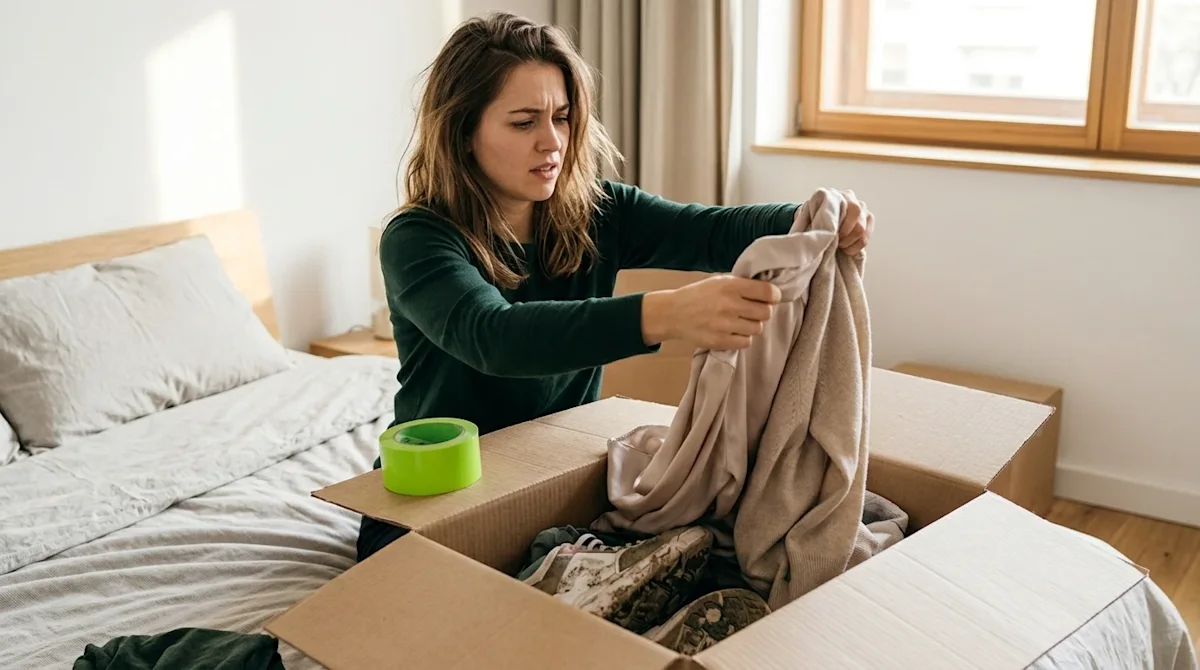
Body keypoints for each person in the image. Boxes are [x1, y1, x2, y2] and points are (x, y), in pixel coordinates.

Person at [358, 12, 874, 561]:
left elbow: (711, 230)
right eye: (523, 122)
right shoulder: (417, 239)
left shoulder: (597, 211)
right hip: (432, 497)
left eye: (562, 116)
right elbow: (496, 338)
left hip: (550, 478)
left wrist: (815, 217)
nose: (552, 142)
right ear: (464, 133)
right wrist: (665, 316)